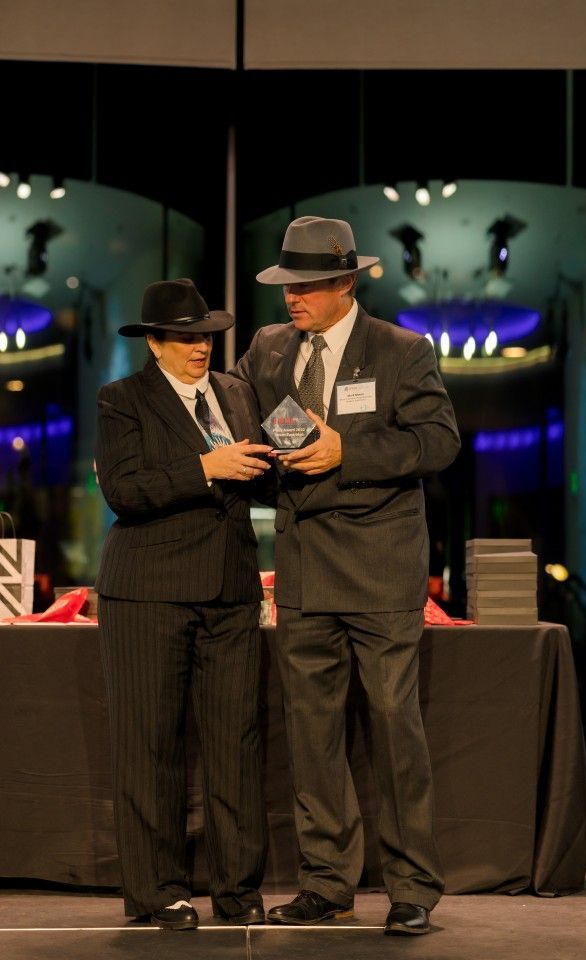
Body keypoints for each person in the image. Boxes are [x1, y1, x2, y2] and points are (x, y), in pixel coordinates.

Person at [232, 216, 461, 935]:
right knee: (312, 733)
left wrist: (346, 452)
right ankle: (326, 883)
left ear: (344, 283)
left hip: (380, 569)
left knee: (396, 728)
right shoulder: (268, 349)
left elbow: (438, 441)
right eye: (287, 285)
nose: (291, 299)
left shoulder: (401, 350)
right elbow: (236, 413)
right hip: (303, 570)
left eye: (304, 286)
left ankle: (413, 886)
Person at [95, 278, 273, 931]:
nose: (199, 347)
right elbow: (124, 489)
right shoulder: (122, 400)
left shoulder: (236, 392)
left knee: (236, 740)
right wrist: (207, 467)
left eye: (203, 335)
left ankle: (236, 887)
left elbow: (261, 468)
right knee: (152, 745)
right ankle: (159, 889)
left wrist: (287, 450)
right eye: (184, 337)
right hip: (149, 591)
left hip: (229, 589)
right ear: (155, 342)